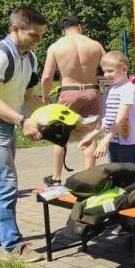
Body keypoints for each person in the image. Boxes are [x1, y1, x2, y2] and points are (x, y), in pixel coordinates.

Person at [0, 7, 47, 262]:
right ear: (15, 29)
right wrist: (22, 121)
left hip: (6, 123)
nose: (38, 40)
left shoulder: (30, 58)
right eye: (34, 35)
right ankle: (13, 244)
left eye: (41, 35)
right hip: (1, 123)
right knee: (6, 184)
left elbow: (29, 98)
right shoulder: (1, 55)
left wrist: (55, 117)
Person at [40, 16, 106, 186]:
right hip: (91, 91)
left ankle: (55, 178)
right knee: (90, 134)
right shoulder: (95, 44)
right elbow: (108, 68)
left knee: (59, 136)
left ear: (63, 30)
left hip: (68, 92)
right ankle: (88, 178)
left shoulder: (56, 46)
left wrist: (46, 96)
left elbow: (47, 77)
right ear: (80, 27)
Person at [78, 51, 135, 164]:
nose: (106, 75)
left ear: (124, 69)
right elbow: (108, 119)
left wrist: (104, 141)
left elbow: (120, 119)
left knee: (128, 176)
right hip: (113, 141)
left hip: (126, 142)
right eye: (104, 71)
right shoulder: (111, 90)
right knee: (115, 174)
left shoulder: (128, 89)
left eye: (110, 71)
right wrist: (91, 136)